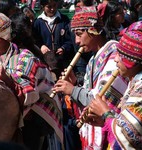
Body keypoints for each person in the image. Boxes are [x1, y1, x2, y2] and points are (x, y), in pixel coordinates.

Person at [53, 6, 128, 150]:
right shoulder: (94, 59)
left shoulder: (114, 56)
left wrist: (73, 90)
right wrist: (75, 84)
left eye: (80, 34)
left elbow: (103, 100)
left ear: (93, 31)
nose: (76, 41)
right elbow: (90, 93)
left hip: (111, 136)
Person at [0, 11, 63, 150]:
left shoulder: (25, 58)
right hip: (22, 120)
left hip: (38, 121)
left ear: (5, 36)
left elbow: (30, 96)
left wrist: (7, 79)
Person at [85, 21, 142, 149]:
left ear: (132, 61)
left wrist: (106, 114)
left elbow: (131, 138)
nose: (115, 59)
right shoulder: (134, 82)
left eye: (121, 55)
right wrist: (102, 120)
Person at [33, 0, 74, 80]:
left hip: (62, 62)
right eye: (49, 7)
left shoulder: (64, 20)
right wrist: (41, 46)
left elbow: (70, 40)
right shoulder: (37, 23)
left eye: (54, 6)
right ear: (43, 7)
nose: (52, 9)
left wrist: (64, 48)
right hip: (45, 63)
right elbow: (34, 40)